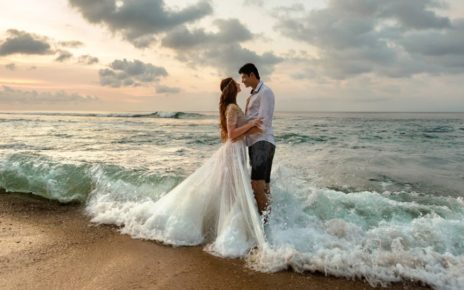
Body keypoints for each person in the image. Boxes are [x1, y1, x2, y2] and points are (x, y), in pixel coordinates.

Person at [142, 77, 266, 258]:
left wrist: (256, 128)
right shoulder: (231, 108)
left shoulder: (233, 106)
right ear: (232, 88)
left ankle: (232, 227)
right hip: (233, 151)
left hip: (237, 151)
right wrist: (251, 124)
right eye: (236, 83)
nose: (240, 84)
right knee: (233, 189)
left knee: (232, 189)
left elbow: (239, 132)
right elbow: (232, 135)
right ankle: (230, 232)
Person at [239, 63, 276, 217]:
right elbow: (250, 120)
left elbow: (264, 123)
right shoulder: (253, 95)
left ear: (252, 75)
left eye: (244, 77)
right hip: (255, 143)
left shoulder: (265, 92)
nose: (242, 81)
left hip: (263, 142)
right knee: (264, 185)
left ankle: (264, 224)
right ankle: (270, 221)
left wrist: (240, 134)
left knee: (257, 184)